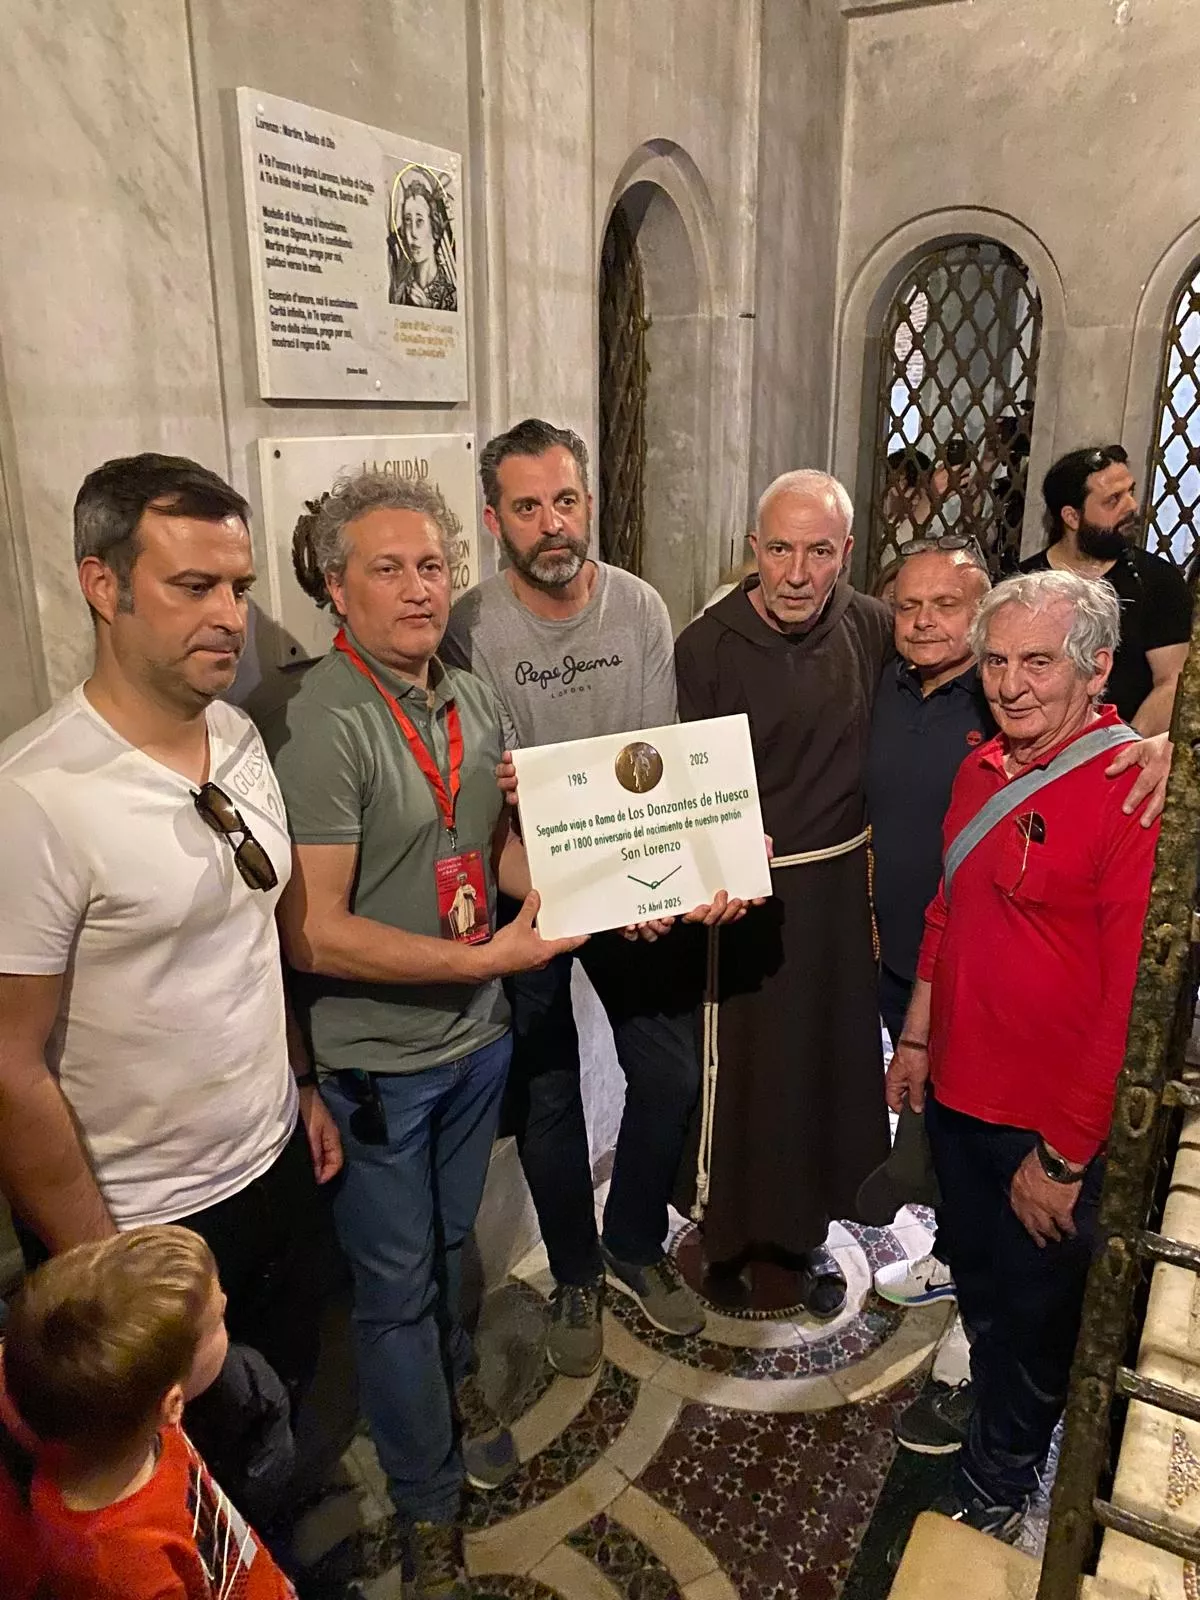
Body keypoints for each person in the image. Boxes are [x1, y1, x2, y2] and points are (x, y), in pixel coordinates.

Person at [0, 453, 341, 1517]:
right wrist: (115, 1276)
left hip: (272, 1162)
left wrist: (300, 1081)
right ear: (103, 585)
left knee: (289, 1421)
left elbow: (254, 936)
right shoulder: (38, 798)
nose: (230, 615)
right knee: (184, 1494)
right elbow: (10, 1064)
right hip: (147, 1222)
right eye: (193, 586)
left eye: (238, 586)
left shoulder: (237, 737)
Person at [267, 470, 581, 1599]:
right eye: (387, 569)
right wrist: (488, 958)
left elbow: (490, 860)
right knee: (394, 1287)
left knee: (450, 1251)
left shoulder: (467, 693)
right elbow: (316, 934)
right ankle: (426, 1499)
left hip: (475, 1040)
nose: (417, 589)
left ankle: (446, 1390)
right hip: (380, 1066)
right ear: (335, 586)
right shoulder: (320, 721)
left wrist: (577, 870)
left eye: (433, 566)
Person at [865, 543, 1169, 1455]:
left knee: (1037, 1322)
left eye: (1038, 662)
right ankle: (986, 1404)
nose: (1010, 683)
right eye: (996, 661)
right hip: (957, 1096)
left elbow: (1129, 1011)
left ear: (1097, 667)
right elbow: (948, 908)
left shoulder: (1132, 796)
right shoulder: (981, 768)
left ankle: (1003, 1474)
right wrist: (915, 1041)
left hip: (1045, 1125)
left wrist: (1068, 1157)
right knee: (981, 1282)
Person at [444, 417, 732, 1378]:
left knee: (667, 1075)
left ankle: (635, 1240)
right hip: (523, 892)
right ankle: (572, 1270)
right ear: (496, 521)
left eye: (565, 500)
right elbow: (477, 778)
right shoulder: (472, 625)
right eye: (527, 507)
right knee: (551, 1096)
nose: (552, 523)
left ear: (589, 504)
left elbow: (653, 753)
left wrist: (656, 873)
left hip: (627, 880)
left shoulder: (641, 606)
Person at [672, 469, 893, 1315]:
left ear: (845, 554)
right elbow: (689, 775)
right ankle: (724, 1231)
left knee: (822, 1066)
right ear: (752, 550)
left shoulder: (872, 626)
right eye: (779, 550)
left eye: (819, 551)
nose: (797, 573)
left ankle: (803, 1231)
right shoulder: (708, 645)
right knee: (746, 1074)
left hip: (837, 889)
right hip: (741, 897)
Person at [4, 1225, 295, 1598]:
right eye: (218, 1317)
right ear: (172, 1404)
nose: (224, 1300)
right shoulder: (119, 1569)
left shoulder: (129, 1423)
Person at [1021, 444, 1192, 733]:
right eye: (1113, 500)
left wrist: (1122, 755)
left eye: (1130, 492)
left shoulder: (1158, 582)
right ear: (1072, 517)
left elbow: (1172, 681)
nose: (1132, 507)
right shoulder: (1022, 586)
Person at [388, 171, 457, 311]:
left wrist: (428, 307)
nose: (412, 233)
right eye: (408, 221)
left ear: (434, 229)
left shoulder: (451, 297)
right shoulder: (400, 288)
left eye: (419, 221)